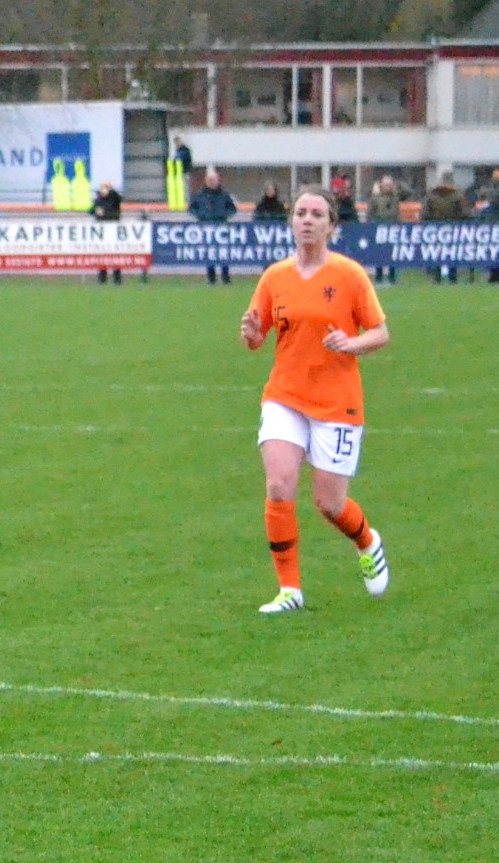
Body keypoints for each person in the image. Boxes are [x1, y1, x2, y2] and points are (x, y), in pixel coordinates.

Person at [239, 187, 391, 616]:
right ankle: (290, 590)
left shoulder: (348, 275)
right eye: (300, 212)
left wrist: (352, 342)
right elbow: (256, 336)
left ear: (331, 225)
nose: (307, 219)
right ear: (291, 221)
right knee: (279, 485)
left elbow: (380, 332)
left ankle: (367, 542)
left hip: (336, 402)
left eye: (316, 214)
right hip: (285, 395)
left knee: (330, 503)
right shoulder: (274, 277)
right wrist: (251, 334)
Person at [190, 169, 239, 284]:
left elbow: (233, 209)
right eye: (210, 180)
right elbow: (192, 208)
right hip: (206, 228)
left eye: (214, 180)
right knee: (209, 253)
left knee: (223, 253)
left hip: (222, 229)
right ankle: (211, 277)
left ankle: (225, 277)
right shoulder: (200, 195)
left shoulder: (224, 195)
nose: (212, 182)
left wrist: (224, 215)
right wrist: (200, 216)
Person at [423, 170, 469, 283]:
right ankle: (452, 278)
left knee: (437, 254)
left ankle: (436, 278)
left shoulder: (432, 195)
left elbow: (425, 214)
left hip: (435, 229)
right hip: (453, 229)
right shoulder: (458, 195)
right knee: (452, 254)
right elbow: (464, 213)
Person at [366, 176, 402, 284]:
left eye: (390, 185)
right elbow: (370, 213)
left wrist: (399, 184)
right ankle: (379, 277)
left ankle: (392, 277)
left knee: (392, 254)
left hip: (392, 228)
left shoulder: (395, 197)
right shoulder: (375, 198)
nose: (388, 187)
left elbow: (408, 192)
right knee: (379, 254)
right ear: (381, 185)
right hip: (378, 228)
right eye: (386, 185)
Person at [90, 180, 124, 285]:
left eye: (107, 188)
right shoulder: (98, 200)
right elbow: (90, 210)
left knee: (116, 256)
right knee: (102, 256)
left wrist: (104, 213)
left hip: (113, 231)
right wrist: (96, 211)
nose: (104, 190)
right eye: (103, 187)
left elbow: (119, 201)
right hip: (102, 232)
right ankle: (102, 279)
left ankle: (117, 279)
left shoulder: (114, 199)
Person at [475, 167, 499, 283]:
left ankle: (493, 275)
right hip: (491, 225)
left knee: (492, 252)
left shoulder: (489, 193)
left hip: (491, 225)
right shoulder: (490, 193)